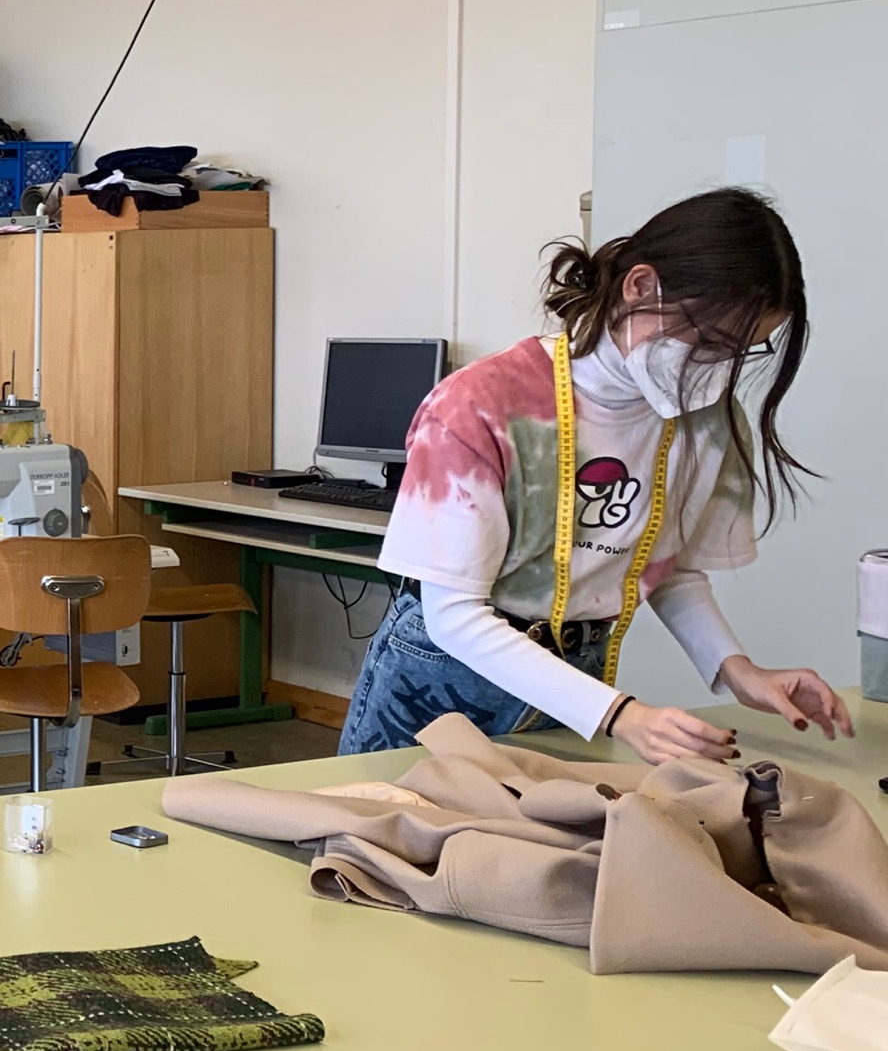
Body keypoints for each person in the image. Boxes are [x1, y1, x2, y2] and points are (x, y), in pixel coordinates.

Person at [340, 186, 849, 762]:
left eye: (742, 352)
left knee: (543, 822)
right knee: (385, 815)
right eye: (711, 342)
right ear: (640, 286)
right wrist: (619, 714)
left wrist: (738, 671)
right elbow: (453, 615)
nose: (717, 370)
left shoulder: (704, 420)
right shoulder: (479, 405)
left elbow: (668, 569)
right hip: (440, 680)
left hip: (575, 683)